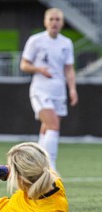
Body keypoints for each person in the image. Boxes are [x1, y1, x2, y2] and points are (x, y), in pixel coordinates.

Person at [20, 8, 78, 170]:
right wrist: (40, 69)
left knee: (47, 128)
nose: (54, 22)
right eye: (51, 19)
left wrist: (72, 89)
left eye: (57, 19)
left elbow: (69, 69)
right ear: (45, 22)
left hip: (58, 92)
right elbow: (24, 65)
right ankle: (50, 165)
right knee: (53, 125)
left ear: (62, 23)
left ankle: (36, 164)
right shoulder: (36, 40)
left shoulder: (66, 43)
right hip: (41, 90)